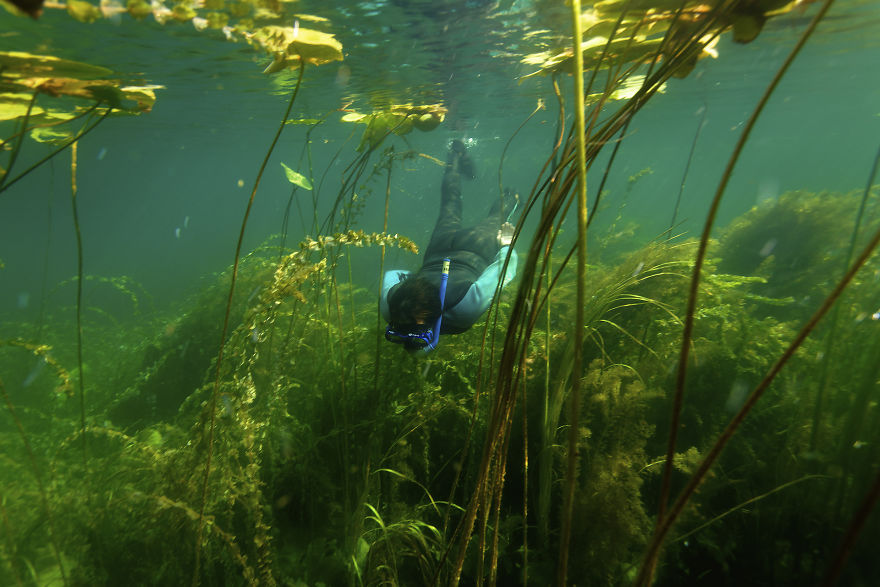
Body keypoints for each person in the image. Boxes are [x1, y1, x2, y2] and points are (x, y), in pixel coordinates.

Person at [380, 139, 519, 353]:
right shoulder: (388, 304)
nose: (407, 333)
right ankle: (454, 156)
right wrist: (416, 278)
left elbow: (502, 273)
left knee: (498, 217)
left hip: (476, 249)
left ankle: (513, 194)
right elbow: (394, 273)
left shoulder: (464, 309)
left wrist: (507, 245)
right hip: (440, 247)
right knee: (450, 204)